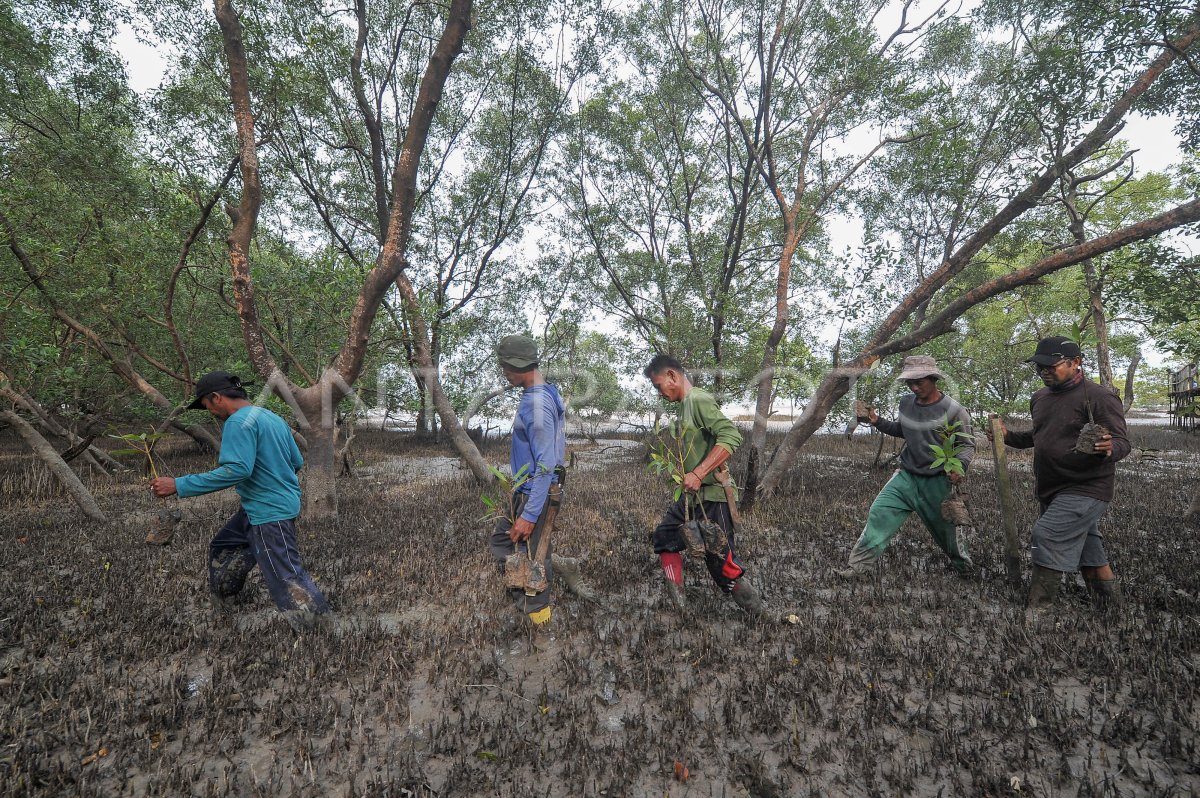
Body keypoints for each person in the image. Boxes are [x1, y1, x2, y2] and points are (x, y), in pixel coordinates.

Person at [149, 371, 330, 630]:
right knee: (224, 546)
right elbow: (297, 462)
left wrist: (178, 485)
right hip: (261, 506)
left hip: (270, 512)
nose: (210, 412)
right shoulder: (272, 418)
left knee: (286, 574)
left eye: (206, 406)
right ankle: (226, 604)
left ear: (216, 398)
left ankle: (319, 629)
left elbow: (236, 470)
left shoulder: (237, 422)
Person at [988, 336, 1130, 616]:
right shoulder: (1039, 398)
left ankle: (1039, 611)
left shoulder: (1099, 396)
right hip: (1052, 488)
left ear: (1076, 363)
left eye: (1050, 366)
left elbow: (1123, 442)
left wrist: (1109, 447)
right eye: (1039, 367)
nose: (1043, 372)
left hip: (1087, 487)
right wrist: (1008, 437)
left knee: (1048, 534)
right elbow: (1041, 436)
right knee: (1090, 554)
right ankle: (1112, 611)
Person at [643, 354, 764, 615]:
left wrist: (698, 473)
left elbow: (731, 435)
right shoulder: (684, 406)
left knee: (722, 565)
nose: (659, 392)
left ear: (673, 376)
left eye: (658, 385)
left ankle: (761, 614)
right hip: (692, 497)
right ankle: (682, 608)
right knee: (664, 536)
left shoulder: (697, 399)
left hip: (713, 497)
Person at [838, 355, 976, 579]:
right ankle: (858, 568)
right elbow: (904, 430)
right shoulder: (905, 402)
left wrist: (959, 466)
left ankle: (965, 570)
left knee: (948, 532)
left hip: (938, 481)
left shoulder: (954, 410)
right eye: (909, 383)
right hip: (906, 476)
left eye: (919, 382)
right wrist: (877, 421)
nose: (913, 387)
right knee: (879, 513)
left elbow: (967, 445)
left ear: (933, 379)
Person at [490, 335, 587, 632]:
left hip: (536, 492)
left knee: (533, 566)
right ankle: (557, 564)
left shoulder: (536, 404)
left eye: (506, 366)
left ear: (518, 365)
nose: (504, 372)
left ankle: (540, 628)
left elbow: (545, 465)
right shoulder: (546, 392)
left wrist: (530, 515)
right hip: (531, 489)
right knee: (503, 542)